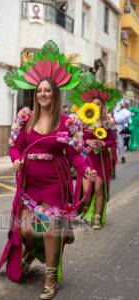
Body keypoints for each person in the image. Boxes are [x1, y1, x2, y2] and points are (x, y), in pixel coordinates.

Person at [0, 41, 96, 299]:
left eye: (47, 91)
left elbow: (75, 154)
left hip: (54, 182)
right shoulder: (25, 119)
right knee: (28, 230)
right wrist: (16, 160)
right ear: (36, 93)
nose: (42, 94)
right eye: (39, 90)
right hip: (30, 183)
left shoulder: (67, 122)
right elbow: (15, 147)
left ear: (55, 94)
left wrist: (86, 171)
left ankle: (50, 277)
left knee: (51, 228)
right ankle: (32, 250)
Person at [67, 72, 122, 229]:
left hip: (101, 160)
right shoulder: (83, 121)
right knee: (87, 190)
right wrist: (87, 141)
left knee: (98, 188)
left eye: (99, 104)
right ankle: (86, 210)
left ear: (103, 106)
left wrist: (102, 144)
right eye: (94, 104)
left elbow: (112, 141)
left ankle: (97, 217)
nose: (97, 106)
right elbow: (77, 139)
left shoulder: (107, 122)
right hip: (87, 159)